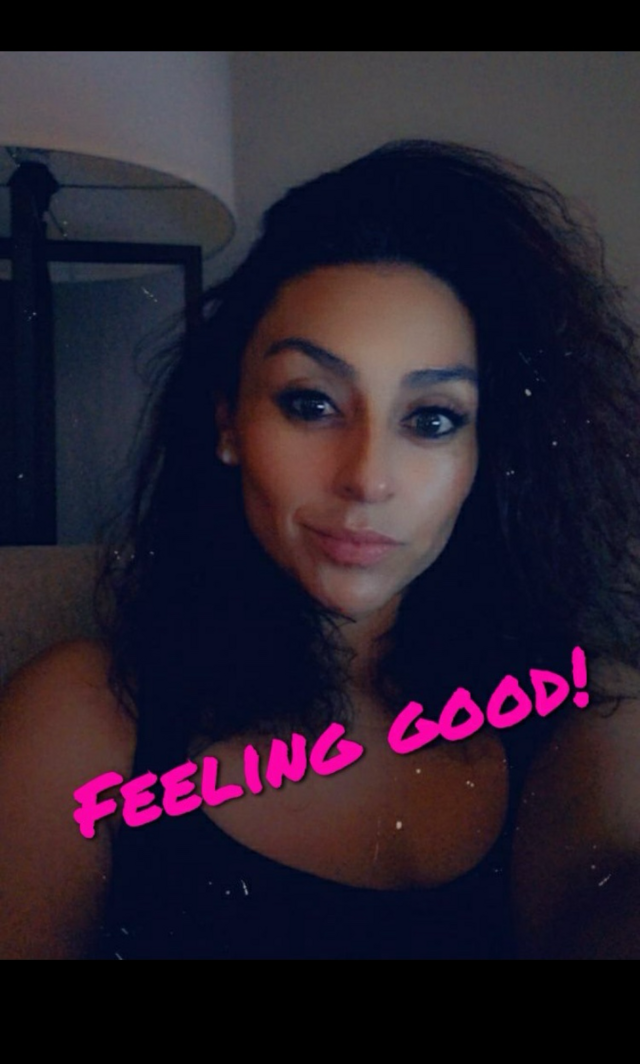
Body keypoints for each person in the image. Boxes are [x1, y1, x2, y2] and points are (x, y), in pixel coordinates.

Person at [1, 140, 639, 959]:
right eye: (311, 403)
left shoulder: (579, 717)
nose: (367, 478)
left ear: (485, 456)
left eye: (432, 419)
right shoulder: (84, 719)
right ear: (230, 423)